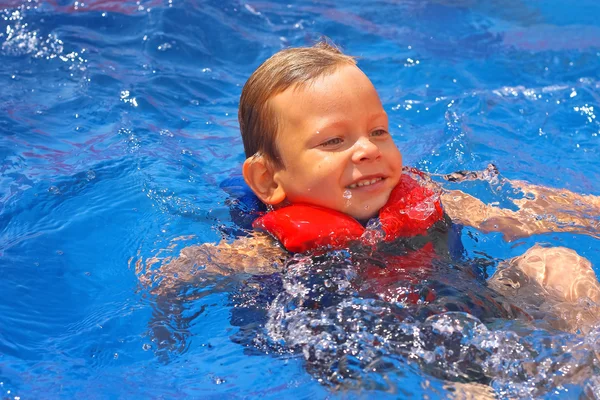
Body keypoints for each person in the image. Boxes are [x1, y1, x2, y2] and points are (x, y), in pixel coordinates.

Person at [142, 41, 600, 332]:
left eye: (378, 131)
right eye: (334, 140)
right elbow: (190, 270)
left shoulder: (431, 196)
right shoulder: (272, 247)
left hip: (475, 307)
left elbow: (535, 207)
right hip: (386, 349)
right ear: (269, 179)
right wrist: (168, 306)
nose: (368, 150)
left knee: (556, 264)